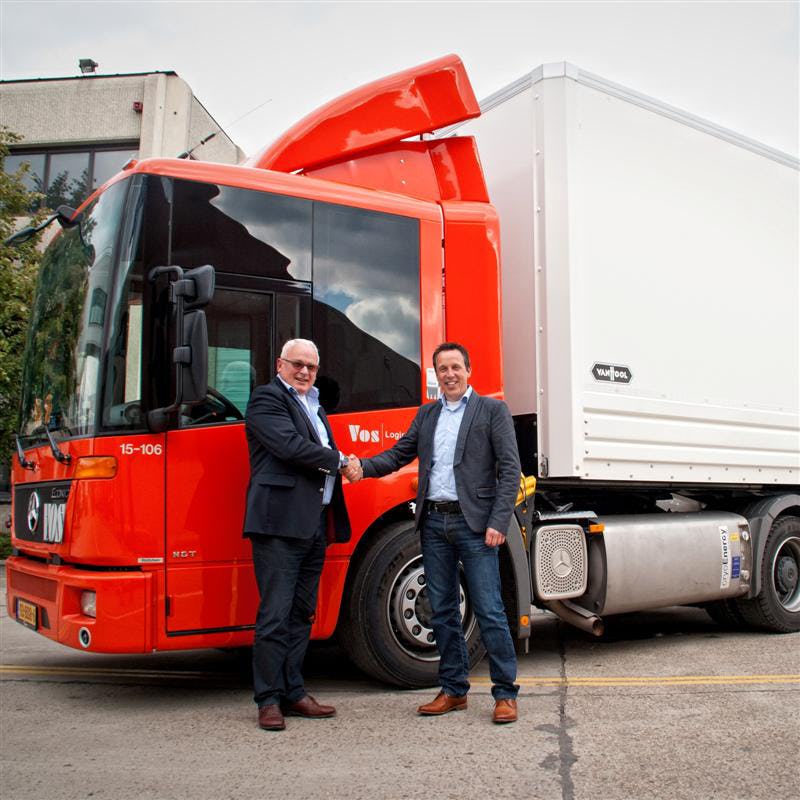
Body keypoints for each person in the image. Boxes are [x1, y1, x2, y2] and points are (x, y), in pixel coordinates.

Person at [344, 342, 521, 724]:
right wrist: (363, 467)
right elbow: (398, 455)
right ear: (436, 375)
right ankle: (454, 689)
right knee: (442, 611)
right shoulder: (428, 414)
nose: (450, 374)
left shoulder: (492, 410)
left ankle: (505, 693)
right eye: (443, 369)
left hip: (475, 526)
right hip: (434, 523)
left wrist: (497, 521)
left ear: (468, 370)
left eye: (456, 367)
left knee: (489, 609)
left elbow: (510, 470)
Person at [243, 338, 354, 731]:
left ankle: (293, 691)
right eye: (297, 364)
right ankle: (268, 700)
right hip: (278, 524)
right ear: (280, 365)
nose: (304, 371)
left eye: (311, 366)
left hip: (313, 523)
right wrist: (342, 461)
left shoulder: (316, 405)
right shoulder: (266, 399)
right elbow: (290, 448)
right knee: (275, 614)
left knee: (301, 612)